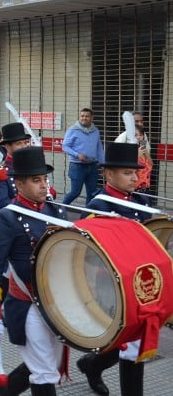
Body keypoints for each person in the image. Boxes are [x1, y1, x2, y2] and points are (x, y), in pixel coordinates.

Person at [0, 146, 69, 396]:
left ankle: (7, 390)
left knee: (47, 363)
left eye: (44, 179)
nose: (43, 185)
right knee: (44, 373)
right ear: (18, 184)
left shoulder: (57, 211)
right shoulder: (6, 219)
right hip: (27, 303)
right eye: (35, 180)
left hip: (56, 303)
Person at [76, 143, 152, 396]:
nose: (134, 178)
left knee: (129, 342)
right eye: (127, 173)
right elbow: (87, 253)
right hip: (110, 284)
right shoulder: (97, 206)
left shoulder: (140, 200)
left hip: (140, 282)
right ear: (109, 174)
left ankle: (91, 365)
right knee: (129, 344)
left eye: (135, 173)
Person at [61, 108, 104, 205]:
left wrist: (103, 164)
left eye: (87, 116)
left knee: (92, 193)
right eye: (82, 116)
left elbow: (99, 148)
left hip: (93, 166)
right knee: (75, 192)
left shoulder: (95, 131)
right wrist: (77, 155)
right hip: (77, 166)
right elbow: (65, 146)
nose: (84, 118)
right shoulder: (73, 130)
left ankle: (87, 215)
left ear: (92, 118)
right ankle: (60, 209)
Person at [0, 123, 32, 209]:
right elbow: (1, 203)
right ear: (7, 146)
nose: (24, 146)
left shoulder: (32, 166)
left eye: (25, 143)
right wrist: (29, 201)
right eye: (19, 144)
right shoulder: (0, 171)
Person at [134, 125, 152, 192]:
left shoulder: (144, 149)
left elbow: (151, 164)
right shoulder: (128, 150)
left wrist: (145, 149)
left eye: (141, 135)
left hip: (146, 188)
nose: (138, 137)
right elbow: (126, 167)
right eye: (135, 135)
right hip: (134, 189)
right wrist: (137, 155)